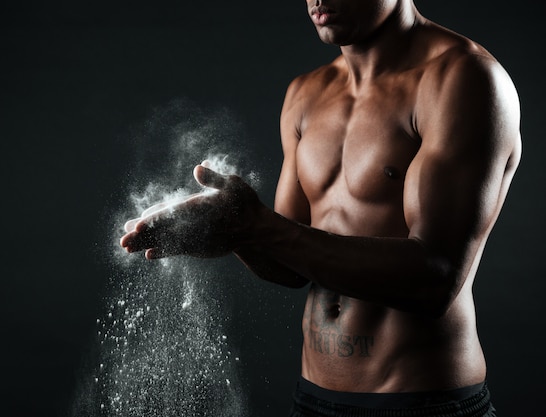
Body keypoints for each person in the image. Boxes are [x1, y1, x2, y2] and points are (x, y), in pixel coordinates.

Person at [120, 0, 521, 415]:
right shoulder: (305, 95)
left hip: (423, 403)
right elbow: (291, 265)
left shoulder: (463, 79)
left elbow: (434, 278)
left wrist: (258, 227)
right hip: (313, 400)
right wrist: (231, 232)